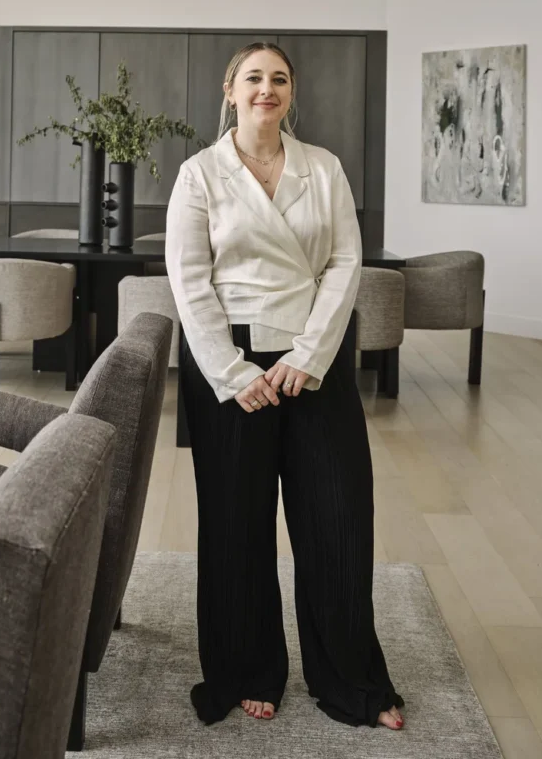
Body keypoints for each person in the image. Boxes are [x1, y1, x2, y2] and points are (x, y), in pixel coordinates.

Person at [165, 43, 404, 731]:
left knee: (338, 520)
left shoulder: (323, 168)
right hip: (231, 362)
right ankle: (246, 670)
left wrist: (311, 353)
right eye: (253, 78)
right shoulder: (199, 174)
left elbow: (346, 262)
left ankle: (351, 679)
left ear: (291, 92)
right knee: (236, 526)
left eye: (278, 79)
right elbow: (189, 281)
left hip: (313, 359)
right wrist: (232, 371)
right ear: (230, 90)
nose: (265, 88)